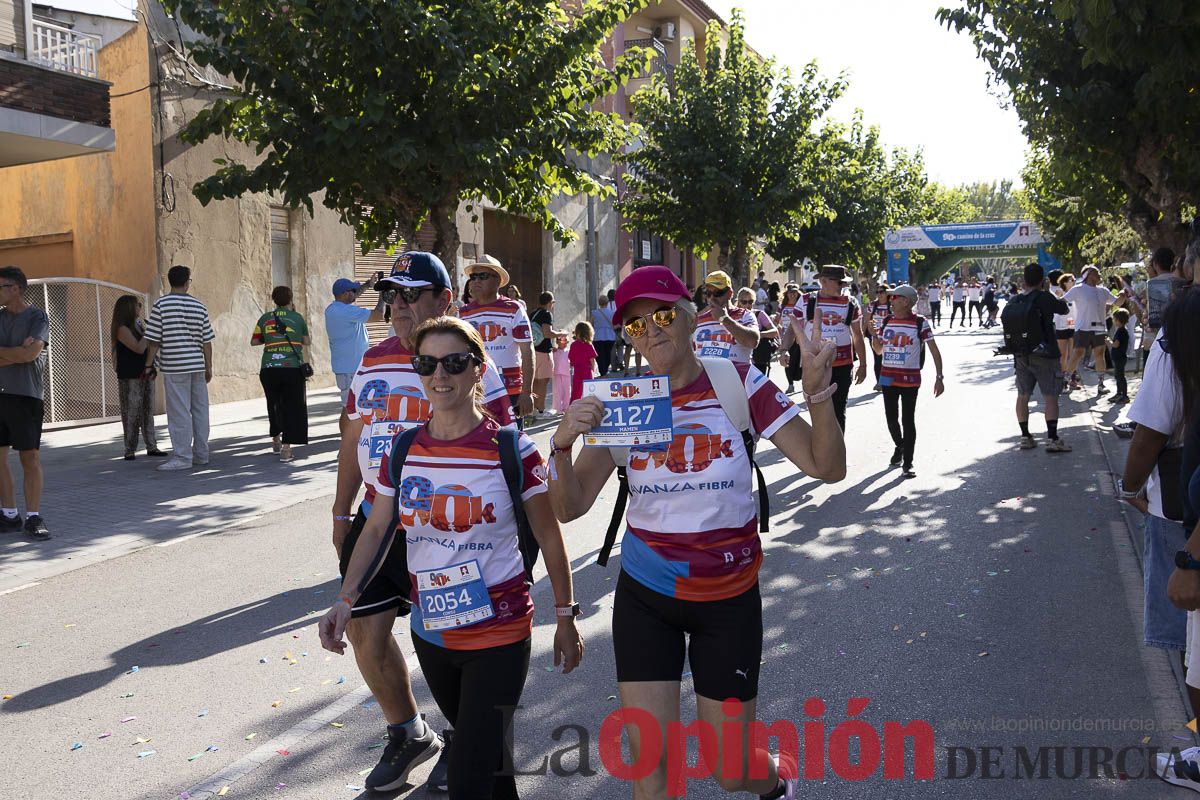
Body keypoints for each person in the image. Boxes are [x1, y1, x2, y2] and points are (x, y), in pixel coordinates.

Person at [545, 265, 846, 800]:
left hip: (726, 599)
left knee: (731, 771)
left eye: (662, 316)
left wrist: (819, 395)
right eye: (635, 325)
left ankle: (775, 777)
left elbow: (827, 467)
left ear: (689, 317)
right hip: (647, 597)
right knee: (653, 774)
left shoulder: (736, 380)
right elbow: (568, 508)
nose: (651, 330)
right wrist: (562, 447)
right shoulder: (623, 402)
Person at [321, 315, 582, 800]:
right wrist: (345, 599)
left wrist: (565, 615)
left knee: (467, 778)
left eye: (454, 363)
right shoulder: (403, 449)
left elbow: (549, 535)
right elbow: (377, 527)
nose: (439, 375)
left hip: (499, 632)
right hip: (433, 630)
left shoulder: (511, 447)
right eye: (427, 363)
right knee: (491, 767)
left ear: (479, 369)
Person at [331, 251, 516, 793]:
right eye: (394, 295)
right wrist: (341, 510)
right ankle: (407, 730)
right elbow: (352, 438)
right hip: (377, 520)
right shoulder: (370, 362)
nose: (400, 305)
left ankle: (468, 735)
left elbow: (506, 447)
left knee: (458, 638)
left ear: (445, 302)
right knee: (366, 631)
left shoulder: (467, 361)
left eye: (413, 294)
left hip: (450, 529)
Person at [863, 285, 944, 478]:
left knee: (908, 420)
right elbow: (879, 350)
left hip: (910, 379)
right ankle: (900, 446)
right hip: (888, 376)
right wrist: (874, 335)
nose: (890, 300)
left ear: (906, 301)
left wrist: (939, 377)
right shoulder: (887, 320)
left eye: (894, 297)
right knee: (891, 419)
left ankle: (908, 462)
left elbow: (934, 350)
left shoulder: (920, 322)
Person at [143, 265, 215, 472]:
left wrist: (149, 365)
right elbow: (207, 342)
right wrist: (208, 366)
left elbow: (154, 341)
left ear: (169, 281)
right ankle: (202, 454)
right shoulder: (199, 306)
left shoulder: (161, 305)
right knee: (200, 411)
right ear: (187, 282)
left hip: (175, 367)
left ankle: (183, 457)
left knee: (179, 413)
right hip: (197, 366)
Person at [0, 266, 50, 540]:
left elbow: (31, 354)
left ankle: (33, 517)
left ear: (15, 288)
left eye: (0, 286)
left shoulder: (37, 317)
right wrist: (17, 353)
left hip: (26, 396)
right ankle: (9, 514)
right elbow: (23, 353)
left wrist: (23, 353)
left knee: (28, 457)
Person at [460, 255, 534, 425]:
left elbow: (527, 352)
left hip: (510, 390)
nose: (476, 281)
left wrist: (527, 392)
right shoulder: (463, 313)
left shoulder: (514, 309)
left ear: (498, 280)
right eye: (473, 277)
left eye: (483, 276)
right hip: (476, 391)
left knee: (512, 442)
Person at [1009, 263, 1071, 453]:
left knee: (1023, 395)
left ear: (1024, 280)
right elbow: (1064, 309)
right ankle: (1052, 439)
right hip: (1046, 354)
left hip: (1021, 354)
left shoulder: (1015, 300)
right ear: (1042, 280)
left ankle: (1026, 436)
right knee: (1050, 396)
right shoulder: (1045, 297)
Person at [797, 264, 866, 430]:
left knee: (838, 410)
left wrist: (863, 364)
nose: (843, 286)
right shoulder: (806, 301)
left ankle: (837, 452)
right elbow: (795, 331)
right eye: (839, 282)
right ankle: (821, 450)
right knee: (817, 410)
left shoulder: (851, 303)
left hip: (842, 365)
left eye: (844, 283)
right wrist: (785, 350)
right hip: (815, 366)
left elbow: (857, 335)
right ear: (823, 281)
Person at [252, 286, 310, 462]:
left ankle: (276, 440)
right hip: (291, 367)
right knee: (292, 406)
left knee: (274, 404)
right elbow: (307, 341)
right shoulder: (297, 318)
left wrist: (269, 338)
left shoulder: (265, 318)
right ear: (291, 299)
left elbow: (254, 341)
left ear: (273, 299)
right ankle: (286, 449)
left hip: (269, 368)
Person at [325, 274, 385, 433]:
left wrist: (367, 285)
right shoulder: (346, 311)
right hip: (351, 367)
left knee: (351, 406)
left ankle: (347, 439)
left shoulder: (333, 308)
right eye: (352, 291)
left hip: (347, 366)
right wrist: (383, 295)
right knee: (348, 407)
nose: (355, 293)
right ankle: (345, 441)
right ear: (345, 294)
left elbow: (353, 295)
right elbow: (378, 316)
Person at [111, 294, 166, 461]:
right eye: (138, 305)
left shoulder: (139, 324)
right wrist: (150, 331)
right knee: (131, 412)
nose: (140, 308)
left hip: (146, 372)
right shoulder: (121, 328)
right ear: (129, 308)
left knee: (148, 410)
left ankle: (152, 446)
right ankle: (130, 449)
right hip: (131, 376)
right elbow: (139, 348)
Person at [1063, 265, 1115, 398]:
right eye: (1096, 272)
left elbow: (1117, 302)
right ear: (1088, 275)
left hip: (1099, 328)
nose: (1099, 274)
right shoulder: (1078, 289)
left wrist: (1123, 295)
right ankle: (1066, 380)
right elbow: (1063, 301)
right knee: (1077, 353)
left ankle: (1101, 384)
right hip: (1083, 328)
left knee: (1099, 354)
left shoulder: (1103, 291)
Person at [692, 271, 760, 363]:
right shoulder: (699, 320)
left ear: (730, 293)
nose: (712, 298)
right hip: (707, 376)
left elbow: (752, 342)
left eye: (717, 293)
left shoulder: (745, 315)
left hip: (738, 375)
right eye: (708, 293)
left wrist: (725, 319)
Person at [528, 292, 566, 419]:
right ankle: (540, 410)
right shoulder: (546, 314)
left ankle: (531, 409)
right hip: (543, 352)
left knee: (534, 382)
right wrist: (561, 334)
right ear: (549, 302)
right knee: (543, 382)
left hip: (532, 351)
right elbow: (547, 333)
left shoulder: (533, 314)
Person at [737, 287, 779, 377]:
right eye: (744, 302)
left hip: (758, 358)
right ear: (739, 302)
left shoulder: (759, 314)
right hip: (738, 357)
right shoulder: (732, 316)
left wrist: (759, 335)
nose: (748, 305)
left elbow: (775, 331)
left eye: (751, 302)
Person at [776, 284, 803, 393]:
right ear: (786, 293)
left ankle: (803, 381)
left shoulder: (800, 305)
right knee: (787, 360)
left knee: (800, 360)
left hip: (799, 338)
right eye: (790, 292)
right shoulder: (782, 306)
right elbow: (777, 321)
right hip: (786, 338)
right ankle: (790, 384)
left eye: (794, 292)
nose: (792, 294)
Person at [863, 284, 891, 391]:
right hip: (875, 335)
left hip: (889, 336)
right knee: (877, 359)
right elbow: (867, 319)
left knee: (887, 360)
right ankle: (879, 382)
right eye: (878, 292)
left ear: (887, 293)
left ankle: (887, 383)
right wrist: (863, 332)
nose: (879, 294)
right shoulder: (873, 305)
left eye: (882, 292)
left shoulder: (892, 304)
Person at [1051, 272, 1076, 386]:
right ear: (1065, 283)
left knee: (1074, 354)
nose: (1074, 281)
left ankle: (1073, 378)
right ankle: (1063, 380)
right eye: (1071, 280)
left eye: (1074, 279)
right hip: (1061, 327)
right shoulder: (1059, 295)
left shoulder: (1077, 294)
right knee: (1063, 355)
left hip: (1074, 327)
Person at [568, 321, 597, 403]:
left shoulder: (573, 345)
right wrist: (593, 370)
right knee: (589, 391)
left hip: (577, 371)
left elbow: (571, 359)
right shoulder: (589, 345)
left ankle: (573, 407)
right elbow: (592, 360)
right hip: (587, 371)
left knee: (576, 392)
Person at [1107, 307, 1131, 404]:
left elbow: (1116, 344)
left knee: (1120, 376)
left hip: (1120, 358)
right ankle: (1119, 393)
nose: (1113, 321)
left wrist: (1109, 342)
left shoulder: (1121, 331)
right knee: (1117, 376)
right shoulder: (1121, 330)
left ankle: (1124, 395)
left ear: (1118, 320)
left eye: (1114, 319)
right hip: (1118, 357)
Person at [590, 295, 617, 378]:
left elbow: (590, 324)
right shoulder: (612, 313)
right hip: (610, 337)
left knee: (599, 355)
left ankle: (603, 372)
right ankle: (604, 371)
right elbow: (615, 324)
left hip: (598, 337)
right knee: (607, 354)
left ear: (599, 303)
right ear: (607, 302)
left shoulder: (594, 312)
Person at [551, 334, 571, 414]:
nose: (562, 342)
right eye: (560, 340)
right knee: (557, 391)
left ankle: (566, 407)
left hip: (567, 373)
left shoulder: (569, 351)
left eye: (564, 340)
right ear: (557, 342)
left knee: (567, 391)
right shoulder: (554, 351)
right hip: (556, 373)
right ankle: (558, 408)